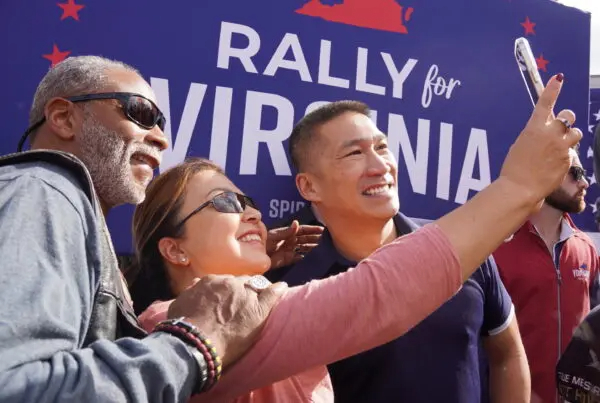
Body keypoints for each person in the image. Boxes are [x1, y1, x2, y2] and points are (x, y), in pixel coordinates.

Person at [131, 74, 579, 402]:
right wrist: (518, 187)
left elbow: (505, 351)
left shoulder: (263, 298)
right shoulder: (184, 333)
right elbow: (377, 295)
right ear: (174, 248)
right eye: (226, 204)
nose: (251, 213)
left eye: (382, 147)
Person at [0, 55, 303, 402]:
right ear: (63, 118)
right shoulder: (42, 191)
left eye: (161, 123)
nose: (161, 139)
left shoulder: (62, 214)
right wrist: (195, 342)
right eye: (141, 114)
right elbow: (15, 387)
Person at [266, 99, 529, 403]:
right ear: (309, 187)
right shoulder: (284, 288)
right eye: (354, 153)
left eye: (381, 147)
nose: (380, 166)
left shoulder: (462, 250)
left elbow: (507, 353)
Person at [493, 145, 599, 403]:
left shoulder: (587, 249)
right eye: (574, 172)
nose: (584, 182)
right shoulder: (496, 250)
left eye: (583, 173)